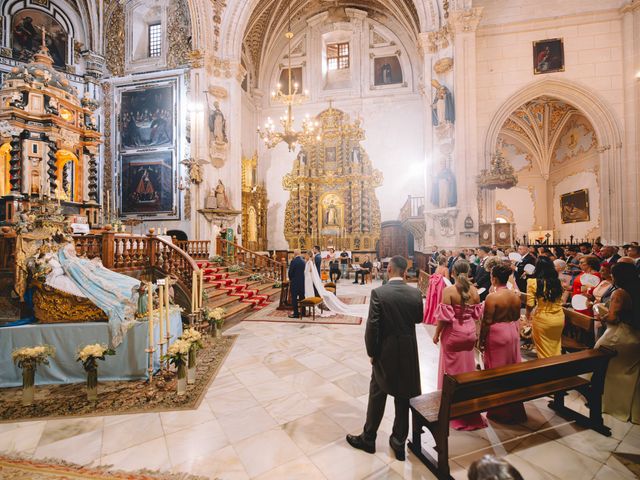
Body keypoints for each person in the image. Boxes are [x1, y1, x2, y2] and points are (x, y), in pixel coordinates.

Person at [346, 256, 423, 460]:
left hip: (386, 349)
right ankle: (398, 442)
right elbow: (418, 318)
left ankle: (369, 438)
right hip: (408, 349)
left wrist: (372, 353)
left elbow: (373, 327)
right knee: (404, 395)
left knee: (377, 393)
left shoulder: (379, 293)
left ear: (389, 269)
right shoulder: (415, 293)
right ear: (405, 272)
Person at [433, 260, 487, 430]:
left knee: (450, 370)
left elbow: (444, 319)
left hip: (454, 334)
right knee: (467, 367)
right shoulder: (474, 291)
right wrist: (477, 334)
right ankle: (467, 406)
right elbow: (477, 316)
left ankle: (451, 406)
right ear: (469, 271)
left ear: (453, 272)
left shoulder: (449, 291)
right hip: (469, 334)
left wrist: (436, 334)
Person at [479, 265, 527, 424]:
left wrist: (481, 341)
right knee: (511, 368)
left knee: (495, 370)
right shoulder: (515, 296)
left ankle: (499, 410)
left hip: (497, 334)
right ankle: (514, 407)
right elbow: (516, 316)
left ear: (494, 278)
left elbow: (486, 321)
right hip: (512, 332)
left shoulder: (492, 297)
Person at [594, 262, 640, 423]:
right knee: (629, 375)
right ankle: (630, 410)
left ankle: (611, 405)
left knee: (607, 367)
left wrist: (602, 315)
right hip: (636, 336)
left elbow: (613, 317)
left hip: (621, 335)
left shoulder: (620, 293)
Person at [526, 256, 564, 358]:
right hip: (559, 317)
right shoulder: (557, 281)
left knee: (543, 349)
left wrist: (527, 316)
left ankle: (547, 371)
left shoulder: (532, 282)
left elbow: (530, 304)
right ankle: (557, 368)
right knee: (555, 345)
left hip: (543, 318)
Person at [423, 256, 448, 325]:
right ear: (444, 262)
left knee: (434, 301)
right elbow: (447, 280)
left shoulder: (437, 268)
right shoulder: (445, 269)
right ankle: (438, 319)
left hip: (435, 286)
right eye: (447, 261)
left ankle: (431, 317)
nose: (448, 262)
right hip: (441, 287)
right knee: (439, 301)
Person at [287, 249, 306, 319]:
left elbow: (290, 273)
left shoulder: (293, 261)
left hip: (295, 282)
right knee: (302, 297)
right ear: (300, 254)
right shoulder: (303, 261)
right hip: (302, 282)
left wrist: (291, 279)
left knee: (294, 298)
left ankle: (296, 314)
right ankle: (303, 312)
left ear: (294, 254)